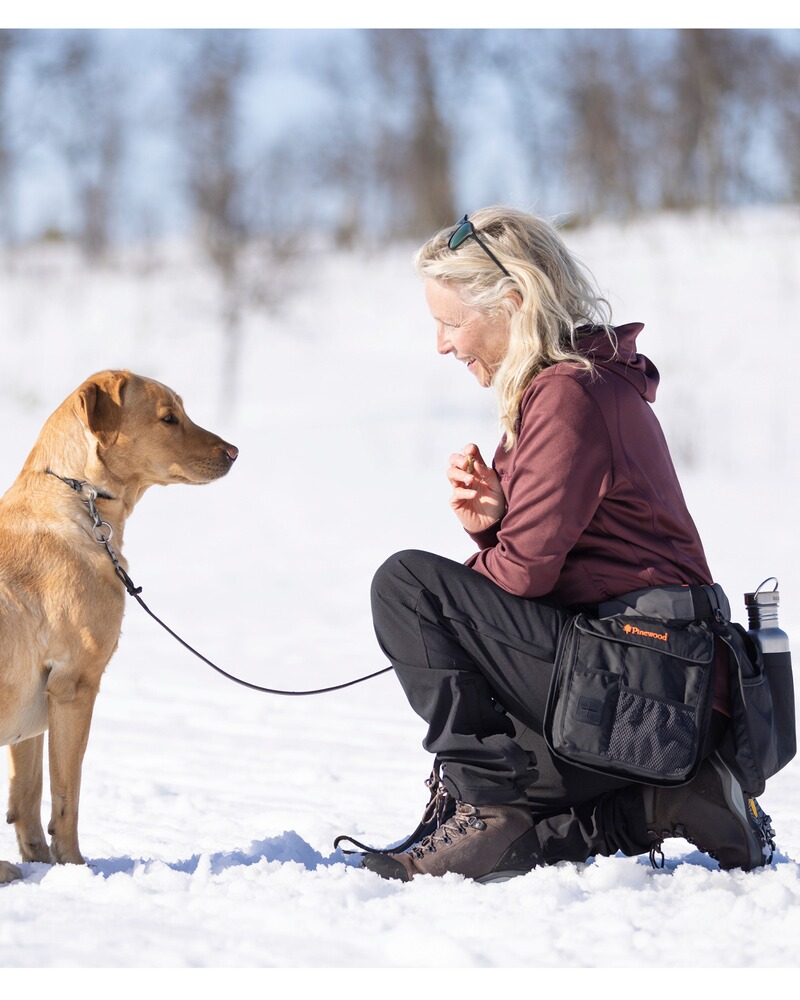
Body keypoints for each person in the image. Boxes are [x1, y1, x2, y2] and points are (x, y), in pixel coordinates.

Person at [358, 207, 775, 883]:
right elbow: (545, 564)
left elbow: (522, 578)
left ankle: (484, 803)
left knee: (406, 586)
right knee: (525, 824)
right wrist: (498, 521)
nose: (441, 343)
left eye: (451, 321)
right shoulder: (571, 386)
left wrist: (450, 603)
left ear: (512, 303)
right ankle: (671, 800)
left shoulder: (569, 393)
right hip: (664, 688)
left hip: (653, 678)